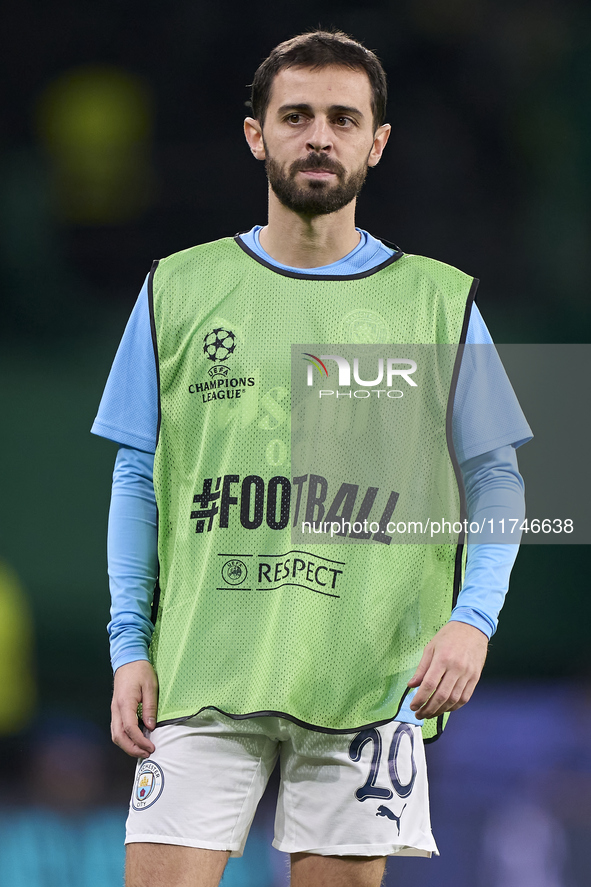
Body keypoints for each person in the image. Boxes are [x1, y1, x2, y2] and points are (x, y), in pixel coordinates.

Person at [92, 30, 532, 887]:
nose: (318, 137)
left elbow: (497, 477)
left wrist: (472, 619)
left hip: (371, 678)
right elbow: (137, 476)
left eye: (342, 118)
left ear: (378, 141)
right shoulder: (175, 288)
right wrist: (126, 643)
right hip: (200, 666)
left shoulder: (437, 299)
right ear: (256, 134)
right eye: (295, 116)